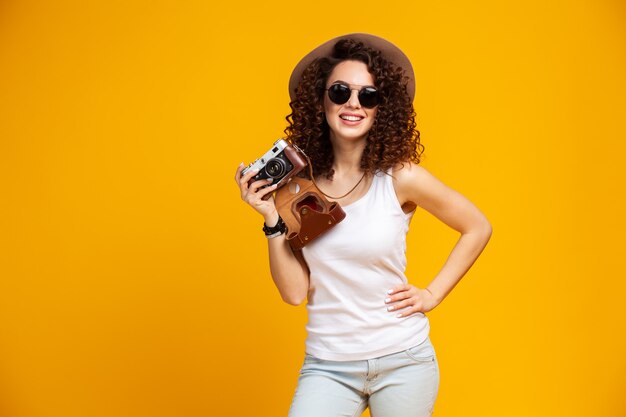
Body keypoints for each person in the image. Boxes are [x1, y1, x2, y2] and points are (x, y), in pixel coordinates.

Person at [234, 33, 492, 417]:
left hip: (403, 361)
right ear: (321, 101)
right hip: (329, 366)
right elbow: (293, 294)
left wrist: (433, 294)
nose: (353, 104)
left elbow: (477, 226)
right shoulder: (299, 189)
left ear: (379, 109)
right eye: (340, 92)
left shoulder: (400, 178)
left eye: (367, 96)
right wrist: (272, 219)